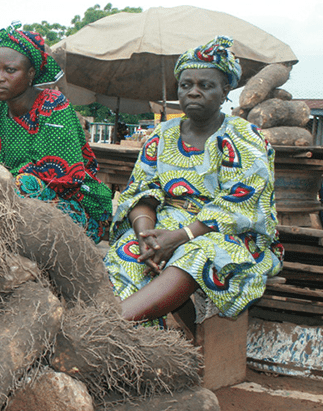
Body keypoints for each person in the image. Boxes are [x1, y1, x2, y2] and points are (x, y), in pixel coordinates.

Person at [103, 36, 284, 330]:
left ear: (226, 90)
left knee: (196, 254)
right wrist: (145, 234)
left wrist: (179, 236)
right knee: (127, 251)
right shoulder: (162, 135)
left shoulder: (243, 136)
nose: (193, 92)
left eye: (206, 85)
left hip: (230, 236)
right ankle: (138, 345)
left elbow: (241, 203)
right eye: (186, 85)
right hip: (164, 229)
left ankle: (105, 326)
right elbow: (140, 192)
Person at [0, 25, 113, 243]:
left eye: (10, 70)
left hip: (67, 203)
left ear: (31, 74)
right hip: (0, 195)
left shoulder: (53, 106)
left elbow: (60, 175)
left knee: (24, 186)